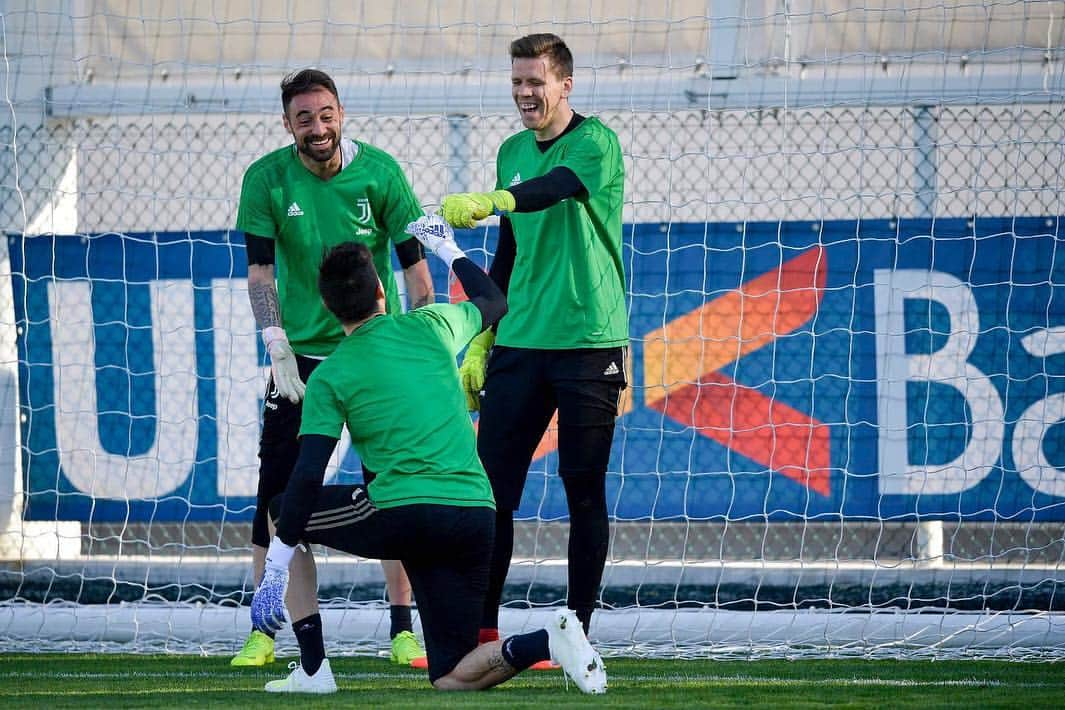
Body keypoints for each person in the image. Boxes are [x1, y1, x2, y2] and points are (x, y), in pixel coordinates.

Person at [249, 215, 607, 695]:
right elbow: (496, 302)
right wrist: (447, 249)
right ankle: (546, 643)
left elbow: (309, 475)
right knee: (451, 677)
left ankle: (314, 670)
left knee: (278, 511)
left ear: (328, 307)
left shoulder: (331, 375)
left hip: (406, 513)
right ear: (381, 291)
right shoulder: (434, 323)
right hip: (476, 515)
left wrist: (276, 564)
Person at [232, 68, 430, 668]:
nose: (316, 127)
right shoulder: (265, 180)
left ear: (341, 113)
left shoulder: (382, 174)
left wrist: (419, 350)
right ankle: (266, 630)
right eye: (303, 118)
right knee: (276, 502)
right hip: (300, 365)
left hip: (374, 354)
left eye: (325, 115)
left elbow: (416, 273)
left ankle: (403, 630)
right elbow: (261, 273)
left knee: (395, 490)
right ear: (287, 123)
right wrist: (276, 343)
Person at [439, 33, 628, 651]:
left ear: (565, 84)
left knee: (583, 492)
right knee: (489, 493)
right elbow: (510, 251)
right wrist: (482, 338)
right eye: (517, 81)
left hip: (587, 342)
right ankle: (481, 633)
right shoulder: (511, 149)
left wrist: (495, 199)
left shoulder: (596, 142)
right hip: (520, 343)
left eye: (536, 81)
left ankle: (578, 633)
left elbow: (557, 189)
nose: (525, 93)